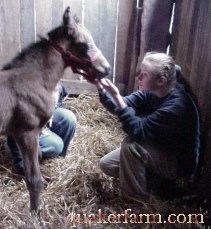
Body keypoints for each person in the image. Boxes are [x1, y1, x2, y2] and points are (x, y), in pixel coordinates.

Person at [92, 52, 200, 201]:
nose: (139, 78)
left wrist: (118, 98)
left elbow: (138, 131)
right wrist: (103, 90)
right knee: (107, 164)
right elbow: (124, 104)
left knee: (132, 146)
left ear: (161, 80)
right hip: (158, 148)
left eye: (144, 75)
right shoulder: (153, 92)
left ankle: (135, 202)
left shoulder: (177, 105)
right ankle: (157, 183)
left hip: (177, 162)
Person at [5, 83, 77, 176]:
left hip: (41, 112)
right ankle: (21, 152)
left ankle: (57, 161)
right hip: (24, 126)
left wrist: (52, 105)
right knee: (56, 145)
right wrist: (25, 170)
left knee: (68, 118)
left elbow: (59, 90)